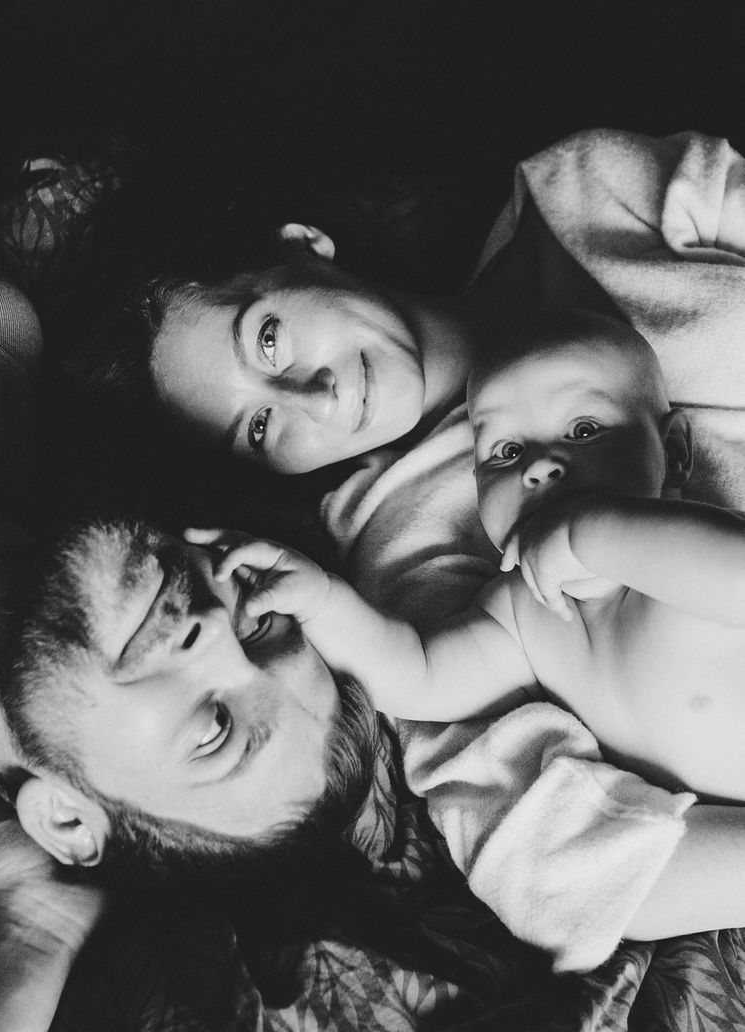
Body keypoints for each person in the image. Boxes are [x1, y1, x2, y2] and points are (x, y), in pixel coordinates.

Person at [84, 126, 745, 969]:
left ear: (303, 248)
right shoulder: (406, 551)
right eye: (259, 426)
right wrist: (323, 604)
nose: (314, 395)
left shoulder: (584, 194)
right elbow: (558, 864)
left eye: (269, 340)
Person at [0, 195, 372, 1027]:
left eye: (215, 729)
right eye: (263, 626)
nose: (215, 630)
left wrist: (30, 926)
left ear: (67, 816)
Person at [189, 311, 745, 821]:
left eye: (584, 430)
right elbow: (419, 672)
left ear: (673, 453)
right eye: (505, 451)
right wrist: (324, 601)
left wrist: (590, 535)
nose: (541, 466)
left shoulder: (685, 543)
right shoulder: (525, 614)